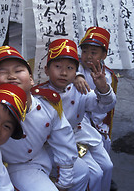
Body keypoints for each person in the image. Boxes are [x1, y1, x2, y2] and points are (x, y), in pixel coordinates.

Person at [0, 46, 89, 191]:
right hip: (17, 166)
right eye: (3, 72)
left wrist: (64, 182)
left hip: (42, 153)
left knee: (82, 172)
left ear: (31, 79)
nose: (11, 76)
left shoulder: (47, 105)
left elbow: (63, 140)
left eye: (18, 71)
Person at [32, 38, 116, 191]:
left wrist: (103, 89)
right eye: (57, 66)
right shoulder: (40, 96)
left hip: (79, 134)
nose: (63, 73)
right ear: (46, 70)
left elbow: (104, 107)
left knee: (107, 165)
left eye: (70, 68)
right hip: (54, 143)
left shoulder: (79, 90)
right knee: (94, 173)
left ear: (76, 71)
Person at [75, 26, 118, 190]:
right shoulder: (75, 69)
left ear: (104, 55)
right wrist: (76, 76)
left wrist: (103, 87)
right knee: (92, 170)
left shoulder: (107, 76)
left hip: (99, 131)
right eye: (84, 51)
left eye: (93, 52)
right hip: (79, 134)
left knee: (107, 166)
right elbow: (70, 71)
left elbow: (108, 106)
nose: (87, 56)